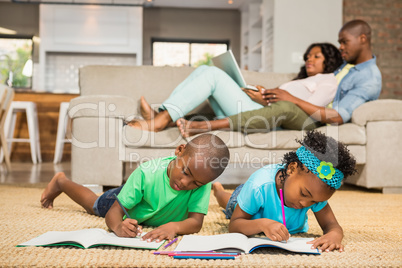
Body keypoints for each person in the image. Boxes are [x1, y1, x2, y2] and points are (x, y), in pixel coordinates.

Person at [177, 19, 382, 137]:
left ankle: (205, 125)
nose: (341, 48)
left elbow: (336, 116)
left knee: (286, 106)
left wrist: (289, 98)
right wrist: (267, 96)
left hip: (319, 122)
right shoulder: (345, 66)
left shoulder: (369, 77)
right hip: (301, 112)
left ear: (363, 39)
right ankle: (171, 118)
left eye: (344, 42)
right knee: (214, 75)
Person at [40, 134, 230, 243]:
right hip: (132, 200)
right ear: (179, 151)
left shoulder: (201, 182)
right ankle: (61, 182)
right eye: (186, 172)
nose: (185, 184)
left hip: (149, 205)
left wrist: (174, 227)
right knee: (94, 205)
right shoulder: (146, 173)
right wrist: (117, 226)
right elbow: (112, 215)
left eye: (195, 183)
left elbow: (195, 223)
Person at [130, 42, 343, 132]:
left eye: (316, 56)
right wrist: (262, 94)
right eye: (308, 56)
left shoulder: (328, 81)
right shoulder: (301, 80)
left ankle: (159, 121)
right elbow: (280, 99)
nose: (309, 60)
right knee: (206, 71)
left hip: (269, 119)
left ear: (330, 60)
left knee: (212, 74)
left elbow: (312, 110)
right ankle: (164, 117)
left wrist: (280, 97)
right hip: (259, 109)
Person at [213, 130, 356, 253]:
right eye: (304, 194)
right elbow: (235, 225)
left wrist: (334, 235)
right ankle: (218, 189)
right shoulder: (259, 185)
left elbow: (332, 225)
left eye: (315, 201)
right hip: (250, 201)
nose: (305, 204)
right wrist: (262, 224)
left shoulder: (314, 192)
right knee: (230, 202)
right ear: (291, 169)